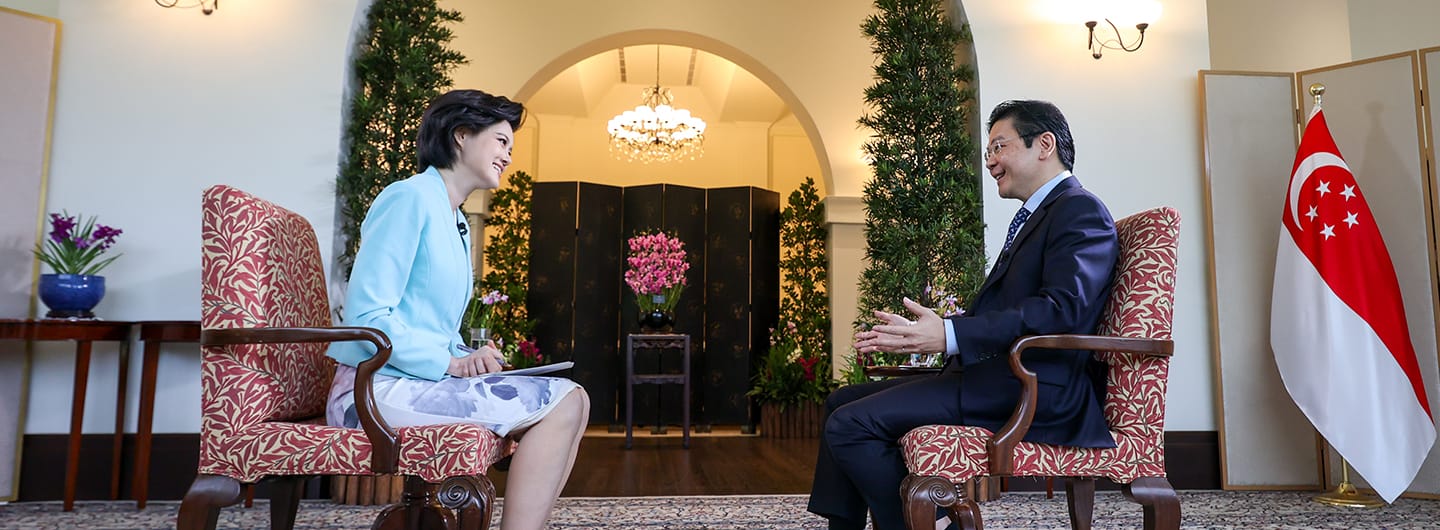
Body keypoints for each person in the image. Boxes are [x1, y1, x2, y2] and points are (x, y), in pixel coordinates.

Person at [807, 100, 1120, 530]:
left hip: (1034, 389)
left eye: (999, 146)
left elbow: (1061, 309)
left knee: (850, 425)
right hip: (997, 377)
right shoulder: (1042, 216)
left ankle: (923, 519)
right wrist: (932, 332)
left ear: (1044, 144)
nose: (990, 161)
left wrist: (951, 335)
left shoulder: (1079, 210)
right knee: (839, 402)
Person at [326, 89, 590, 530]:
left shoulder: (455, 219)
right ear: (462, 136)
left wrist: (470, 358)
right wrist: (450, 361)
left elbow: (429, 325)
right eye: (501, 141)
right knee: (564, 401)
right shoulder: (409, 197)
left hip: (412, 380)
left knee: (573, 400)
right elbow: (366, 321)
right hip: (371, 389)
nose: (508, 156)